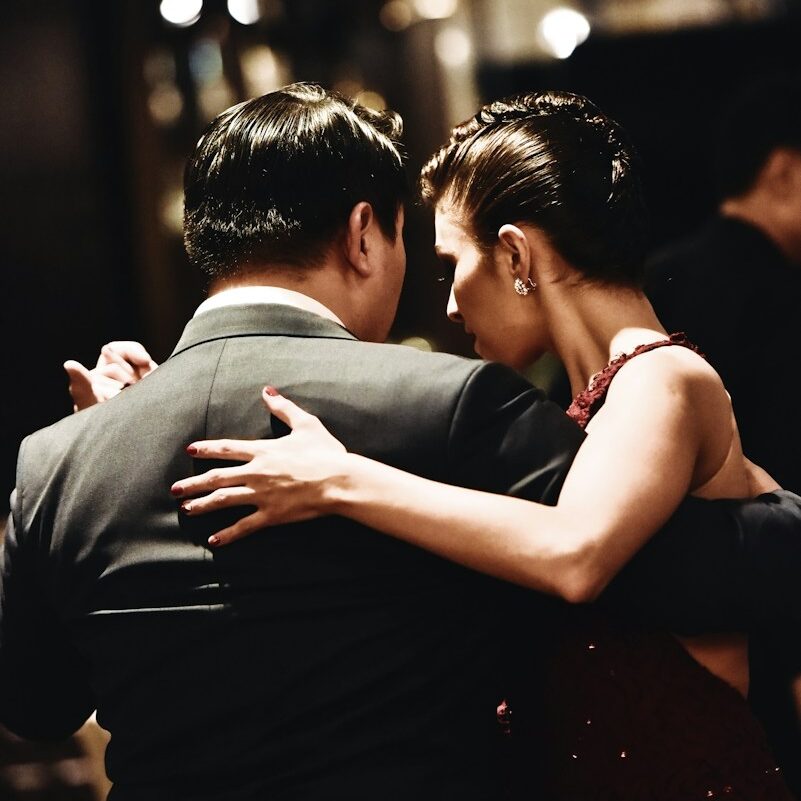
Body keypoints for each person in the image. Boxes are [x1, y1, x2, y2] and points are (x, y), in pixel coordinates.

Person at [9, 85, 801, 801]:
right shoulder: (451, 410)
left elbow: (35, 702)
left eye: (449, 263)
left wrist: (123, 438)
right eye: (425, 257)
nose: (447, 302)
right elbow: (669, 560)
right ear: (364, 235)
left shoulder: (58, 459)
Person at [646, 72, 801, 794]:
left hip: (659, 646)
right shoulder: (782, 297)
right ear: (783, 170)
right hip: (772, 635)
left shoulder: (658, 277)